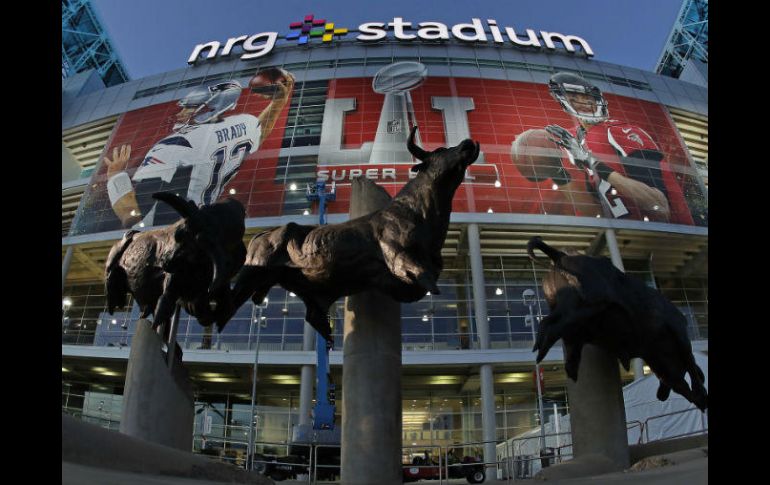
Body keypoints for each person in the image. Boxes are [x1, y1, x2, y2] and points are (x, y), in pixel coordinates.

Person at [103, 68, 295, 228]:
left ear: (208, 109)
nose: (180, 112)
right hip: (202, 228)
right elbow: (259, 133)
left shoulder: (173, 145)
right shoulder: (240, 125)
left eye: (188, 107)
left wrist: (116, 177)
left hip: (163, 235)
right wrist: (278, 102)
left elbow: (133, 215)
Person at [542, 72, 693, 224]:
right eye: (573, 99)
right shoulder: (576, 140)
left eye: (587, 97)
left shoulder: (618, 130)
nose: (583, 103)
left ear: (597, 99)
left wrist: (592, 162)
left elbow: (660, 208)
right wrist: (558, 174)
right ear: (564, 104)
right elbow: (598, 211)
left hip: (668, 236)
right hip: (625, 237)